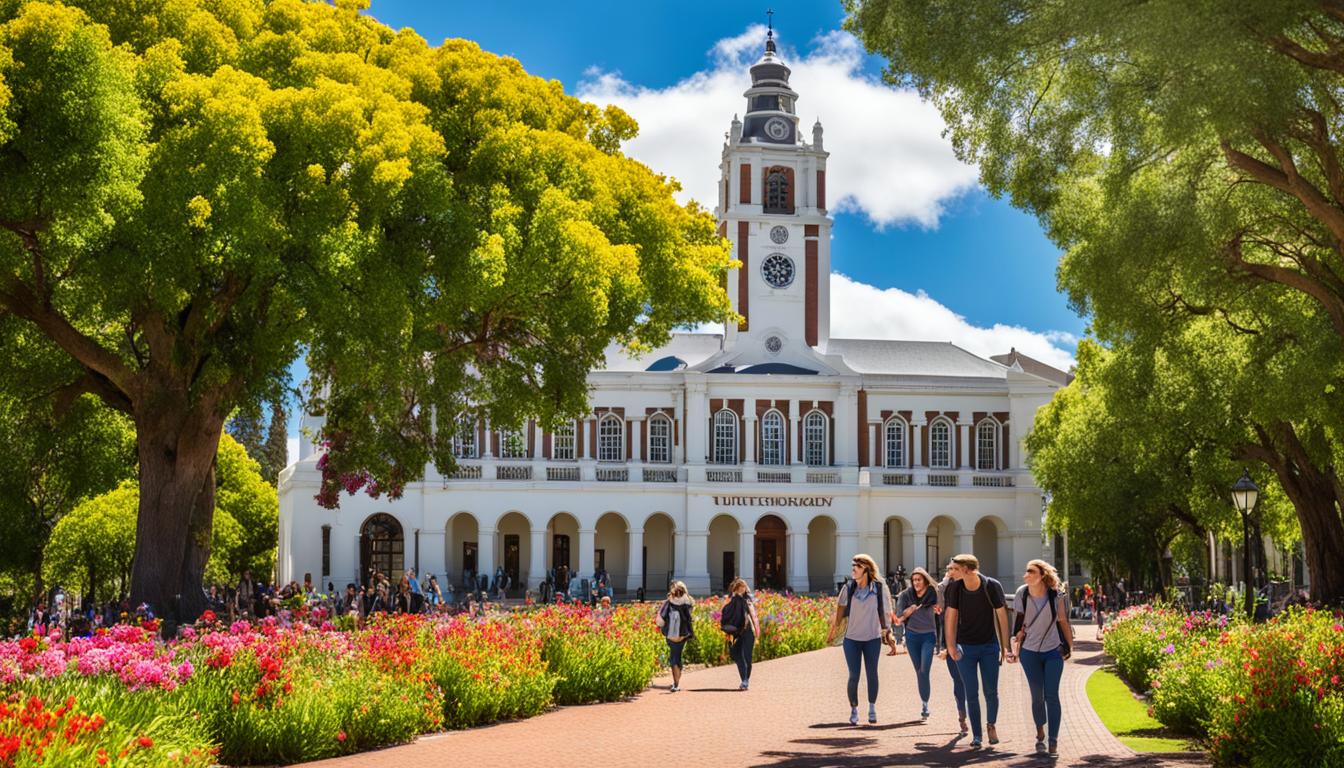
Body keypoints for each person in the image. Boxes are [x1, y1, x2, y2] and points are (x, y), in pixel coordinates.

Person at [943, 553, 1009, 749]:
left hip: (989, 646)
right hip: (966, 648)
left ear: (967, 570)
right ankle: (977, 735)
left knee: (990, 691)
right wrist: (951, 646)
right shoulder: (955, 587)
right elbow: (950, 617)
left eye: (954, 569)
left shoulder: (991, 586)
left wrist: (1005, 647)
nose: (950, 572)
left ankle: (991, 725)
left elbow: (1002, 616)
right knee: (971, 693)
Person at [1009, 559, 1073, 756]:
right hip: (1029, 652)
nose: (1026, 575)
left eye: (1031, 571)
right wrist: (1013, 642)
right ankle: (1040, 731)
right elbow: (1018, 622)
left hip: (1052, 650)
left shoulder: (1056, 595)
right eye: (1026, 571)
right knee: (1037, 696)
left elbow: (1063, 621)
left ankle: (1053, 740)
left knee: (1051, 696)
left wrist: (1069, 646)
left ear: (1042, 575)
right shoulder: (1022, 593)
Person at [827, 554, 894, 725]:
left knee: (872, 674)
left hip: (872, 638)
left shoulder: (879, 589)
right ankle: (854, 709)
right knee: (854, 675)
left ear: (866, 568)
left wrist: (888, 633)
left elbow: (886, 612)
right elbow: (839, 611)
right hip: (851, 640)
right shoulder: (848, 588)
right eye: (852, 566)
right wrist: (832, 632)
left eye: (856, 566)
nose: (853, 570)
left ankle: (872, 708)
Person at [895, 566, 940, 719]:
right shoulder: (906, 596)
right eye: (913, 580)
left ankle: (925, 705)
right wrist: (908, 612)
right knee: (918, 670)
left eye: (919, 580)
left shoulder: (933, 594)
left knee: (924, 670)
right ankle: (924, 702)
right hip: (913, 637)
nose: (915, 583)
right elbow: (898, 619)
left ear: (925, 581)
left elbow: (942, 608)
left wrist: (939, 610)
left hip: (928, 636)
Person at [656, 581, 695, 692]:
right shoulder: (688, 603)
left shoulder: (669, 603)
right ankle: (677, 678)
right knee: (678, 655)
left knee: (674, 657)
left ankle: (676, 683)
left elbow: (660, 621)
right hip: (683, 635)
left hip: (671, 635)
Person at [725, 578, 760, 691]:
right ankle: (744, 680)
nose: (741, 590)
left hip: (748, 631)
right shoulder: (730, 600)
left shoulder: (748, 600)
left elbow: (753, 615)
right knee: (736, 655)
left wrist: (756, 629)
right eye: (739, 588)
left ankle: (745, 681)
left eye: (743, 588)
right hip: (735, 632)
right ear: (735, 589)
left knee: (748, 657)